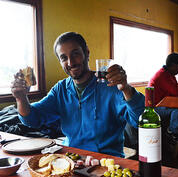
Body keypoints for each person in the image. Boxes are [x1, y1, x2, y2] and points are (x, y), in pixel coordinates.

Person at [11, 32, 145, 158]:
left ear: (86, 53)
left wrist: (126, 88)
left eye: (75, 54)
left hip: (106, 163)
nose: (71, 62)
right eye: (64, 58)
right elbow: (32, 119)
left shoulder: (111, 86)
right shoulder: (61, 89)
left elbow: (140, 120)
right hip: (71, 160)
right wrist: (21, 98)